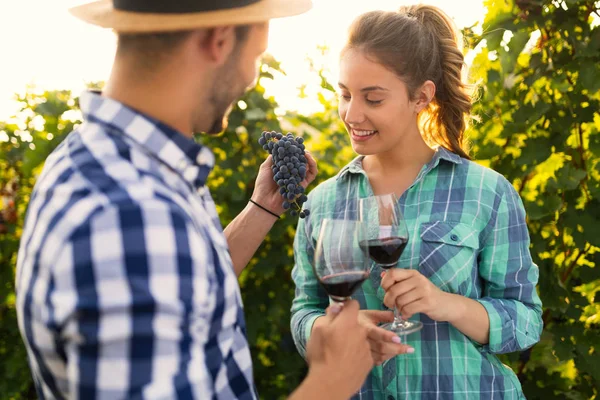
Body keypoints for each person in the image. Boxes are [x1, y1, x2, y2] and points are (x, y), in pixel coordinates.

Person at [14, 1, 375, 399]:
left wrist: (262, 208)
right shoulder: (128, 212)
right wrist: (333, 380)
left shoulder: (113, 161)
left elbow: (187, 289)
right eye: (256, 56)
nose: (252, 79)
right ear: (219, 39)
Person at [291, 4, 543, 399]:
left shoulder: (485, 192)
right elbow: (304, 310)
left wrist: (447, 304)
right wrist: (325, 332)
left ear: (421, 97)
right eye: (344, 94)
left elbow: (526, 321)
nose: (351, 114)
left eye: (372, 99)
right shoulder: (321, 203)